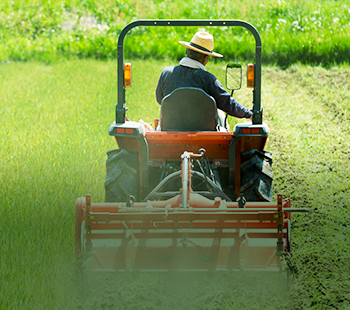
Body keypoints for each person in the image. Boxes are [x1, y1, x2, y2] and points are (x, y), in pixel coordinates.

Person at [156, 31, 252, 126]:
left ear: (186, 51)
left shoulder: (166, 73)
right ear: (206, 58)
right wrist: (249, 114)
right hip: (203, 131)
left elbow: (160, 100)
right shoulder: (208, 79)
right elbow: (227, 103)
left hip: (170, 129)